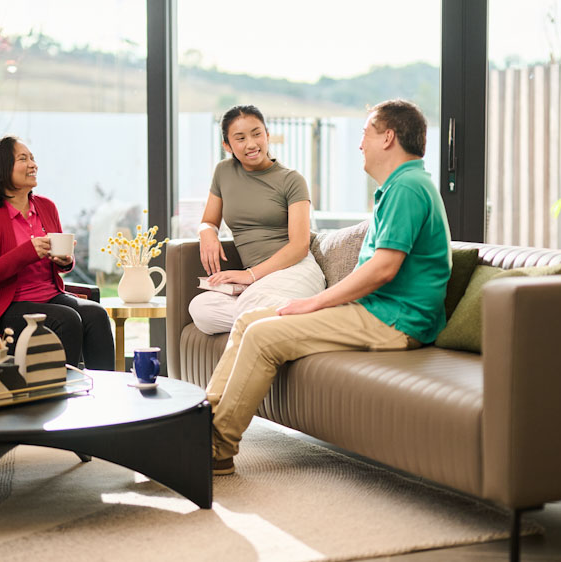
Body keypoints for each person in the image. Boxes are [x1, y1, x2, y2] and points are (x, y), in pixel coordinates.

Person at [206, 100, 451, 475]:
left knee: (262, 337)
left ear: (388, 138)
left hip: (395, 321)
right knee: (248, 321)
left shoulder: (409, 187)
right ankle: (199, 428)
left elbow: (383, 269)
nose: (360, 145)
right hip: (376, 311)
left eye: (365, 133)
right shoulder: (400, 186)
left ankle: (215, 450)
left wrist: (314, 303)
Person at [0, 136, 115, 371]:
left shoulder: (46, 207)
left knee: (96, 315)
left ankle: (103, 392)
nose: (34, 165)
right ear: (1, 169)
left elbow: (60, 263)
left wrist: (65, 261)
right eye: (23, 159)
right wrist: (26, 253)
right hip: (7, 306)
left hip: (50, 296)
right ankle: (61, 395)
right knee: (67, 319)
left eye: (32, 158)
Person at [189, 105, 326, 334]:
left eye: (256, 134)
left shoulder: (292, 180)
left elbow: (300, 246)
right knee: (200, 309)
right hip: (260, 285)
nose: (251, 144)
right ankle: (292, 320)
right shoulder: (224, 172)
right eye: (240, 138)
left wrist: (249, 275)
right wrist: (206, 232)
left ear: (267, 135)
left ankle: (288, 318)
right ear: (227, 145)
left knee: (250, 303)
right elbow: (209, 220)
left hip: (295, 272)